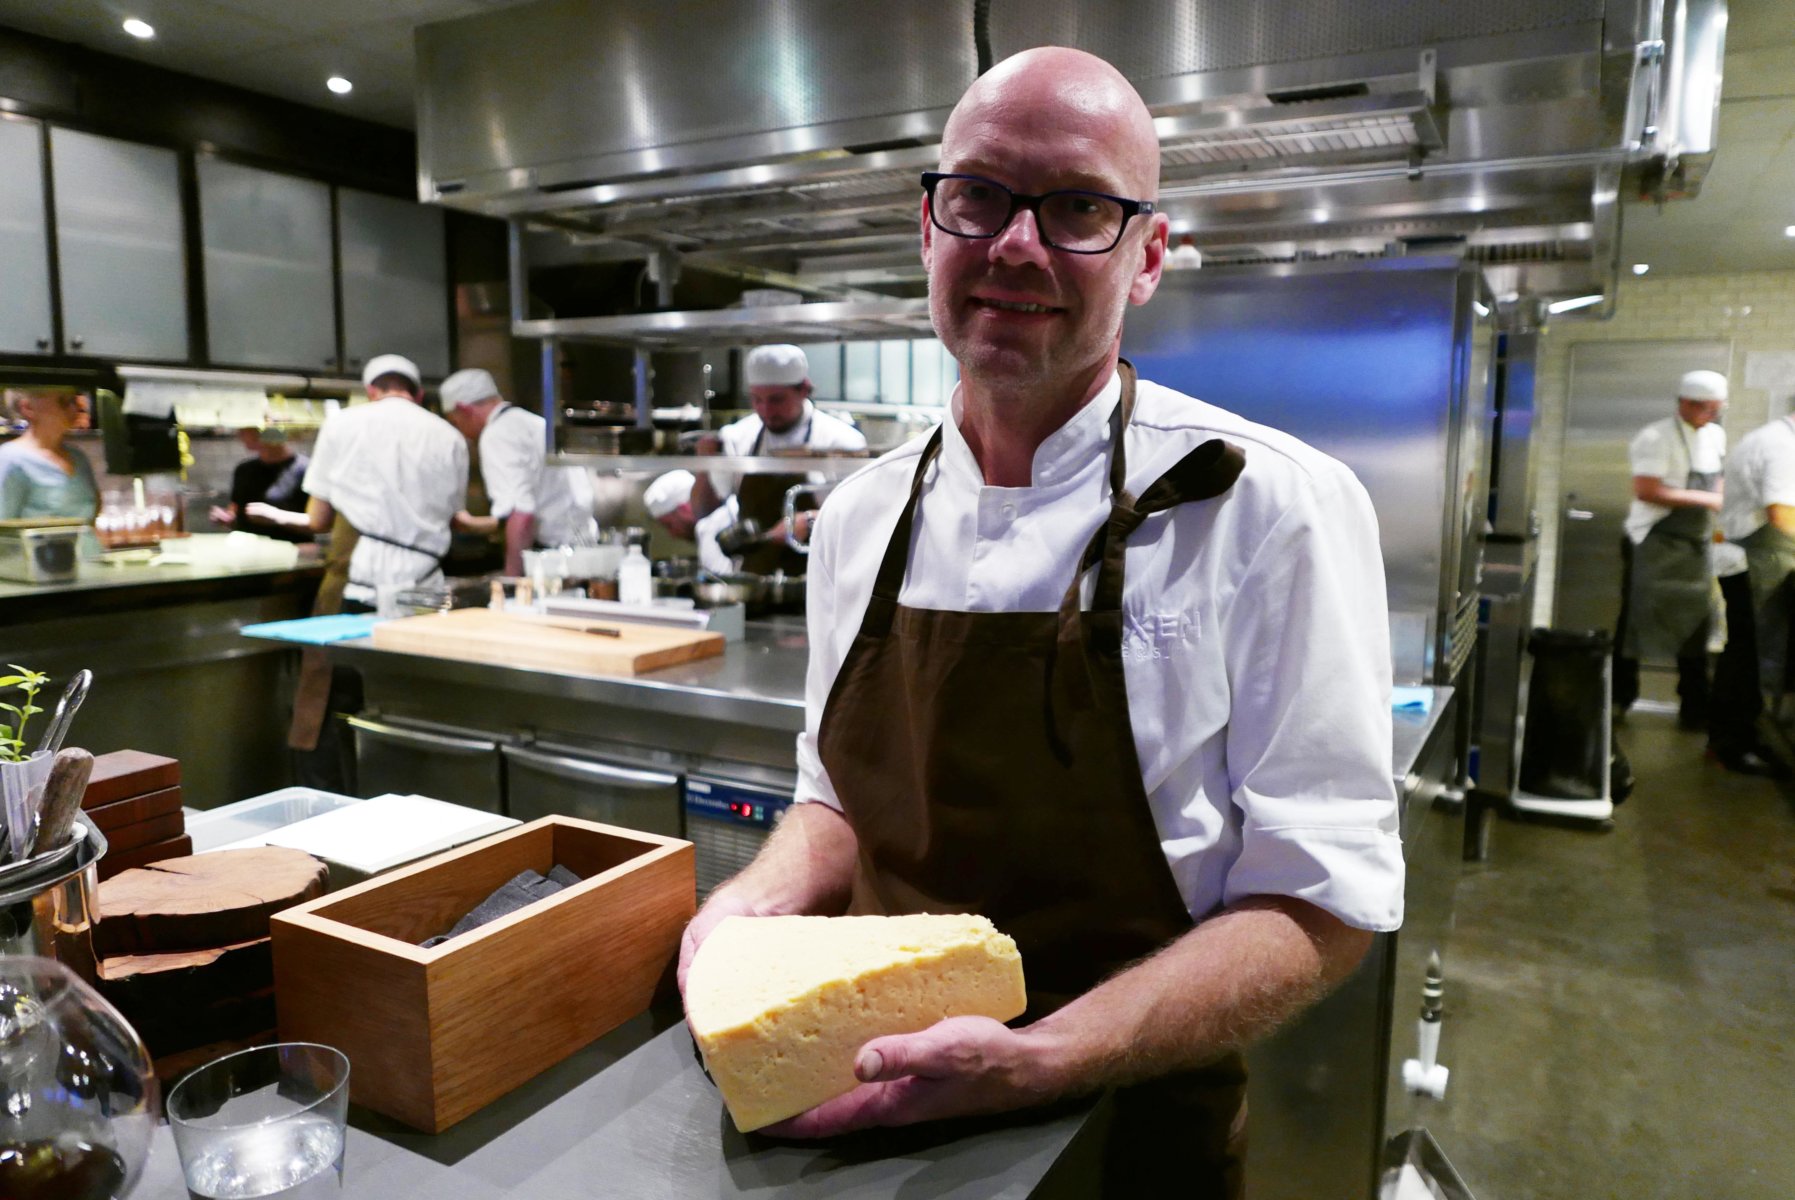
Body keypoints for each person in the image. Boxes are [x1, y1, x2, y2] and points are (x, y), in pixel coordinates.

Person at [677, 47, 1400, 1195]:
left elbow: (1322, 899)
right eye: (979, 196)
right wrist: (748, 906)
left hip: (1125, 1126)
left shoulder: (1268, 505)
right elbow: (833, 800)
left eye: (1075, 207)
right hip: (856, 1101)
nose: (1015, 244)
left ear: (1148, 254)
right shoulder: (861, 512)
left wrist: (1039, 1060)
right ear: (928, 226)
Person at [284, 354, 468, 609]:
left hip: (359, 583)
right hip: (426, 587)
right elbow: (455, 517)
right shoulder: (452, 437)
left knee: (349, 649)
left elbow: (318, 519)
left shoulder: (340, 425)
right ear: (419, 394)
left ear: (371, 391)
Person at [1613, 370, 1728, 725]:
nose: (1707, 415)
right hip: (1653, 541)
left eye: (1713, 409)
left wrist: (1719, 501)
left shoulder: (1716, 436)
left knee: (1696, 621)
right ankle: (1619, 697)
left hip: (1695, 544)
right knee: (1636, 620)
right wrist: (1707, 499)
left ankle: (1694, 706)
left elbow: (1719, 479)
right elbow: (1647, 489)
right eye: (1701, 407)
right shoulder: (1655, 437)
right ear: (1682, 402)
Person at [691, 344, 866, 574]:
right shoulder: (738, 436)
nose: (766, 410)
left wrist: (813, 519)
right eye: (756, 399)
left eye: (776, 400)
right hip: (755, 576)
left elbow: (862, 516)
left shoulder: (843, 441)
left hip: (819, 572)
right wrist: (705, 464)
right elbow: (703, 511)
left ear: (804, 389)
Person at [438, 368, 595, 577]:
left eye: (455, 422)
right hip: (586, 556)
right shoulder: (533, 423)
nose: (461, 433)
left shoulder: (496, 436)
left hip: (552, 563)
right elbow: (537, 505)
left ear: (464, 409)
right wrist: (474, 526)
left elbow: (521, 515)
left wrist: (512, 581)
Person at [1713, 410, 1795, 775]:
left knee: (1743, 652)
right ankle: (1735, 742)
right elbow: (1781, 514)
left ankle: (1731, 738)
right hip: (1753, 561)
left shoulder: (1771, 437)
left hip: (1746, 559)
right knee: (1749, 655)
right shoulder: (1782, 446)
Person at [0, 389, 99, 521]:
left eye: (74, 401)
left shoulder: (78, 457)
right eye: (64, 402)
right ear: (28, 408)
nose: (74, 408)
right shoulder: (11, 459)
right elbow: (4, 527)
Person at [208, 426, 312, 543]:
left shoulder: (305, 469)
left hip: (290, 553)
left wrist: (276, 516)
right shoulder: (244, 470)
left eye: (246, 429)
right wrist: (227, 518)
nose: (240, 434)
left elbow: (320, 524)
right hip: (249, 552)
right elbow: (237, 514)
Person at [644, 469, 733, 576]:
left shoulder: (708, 530)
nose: (673, 534)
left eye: (670, 525)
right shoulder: (726, 512)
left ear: (684, 509)